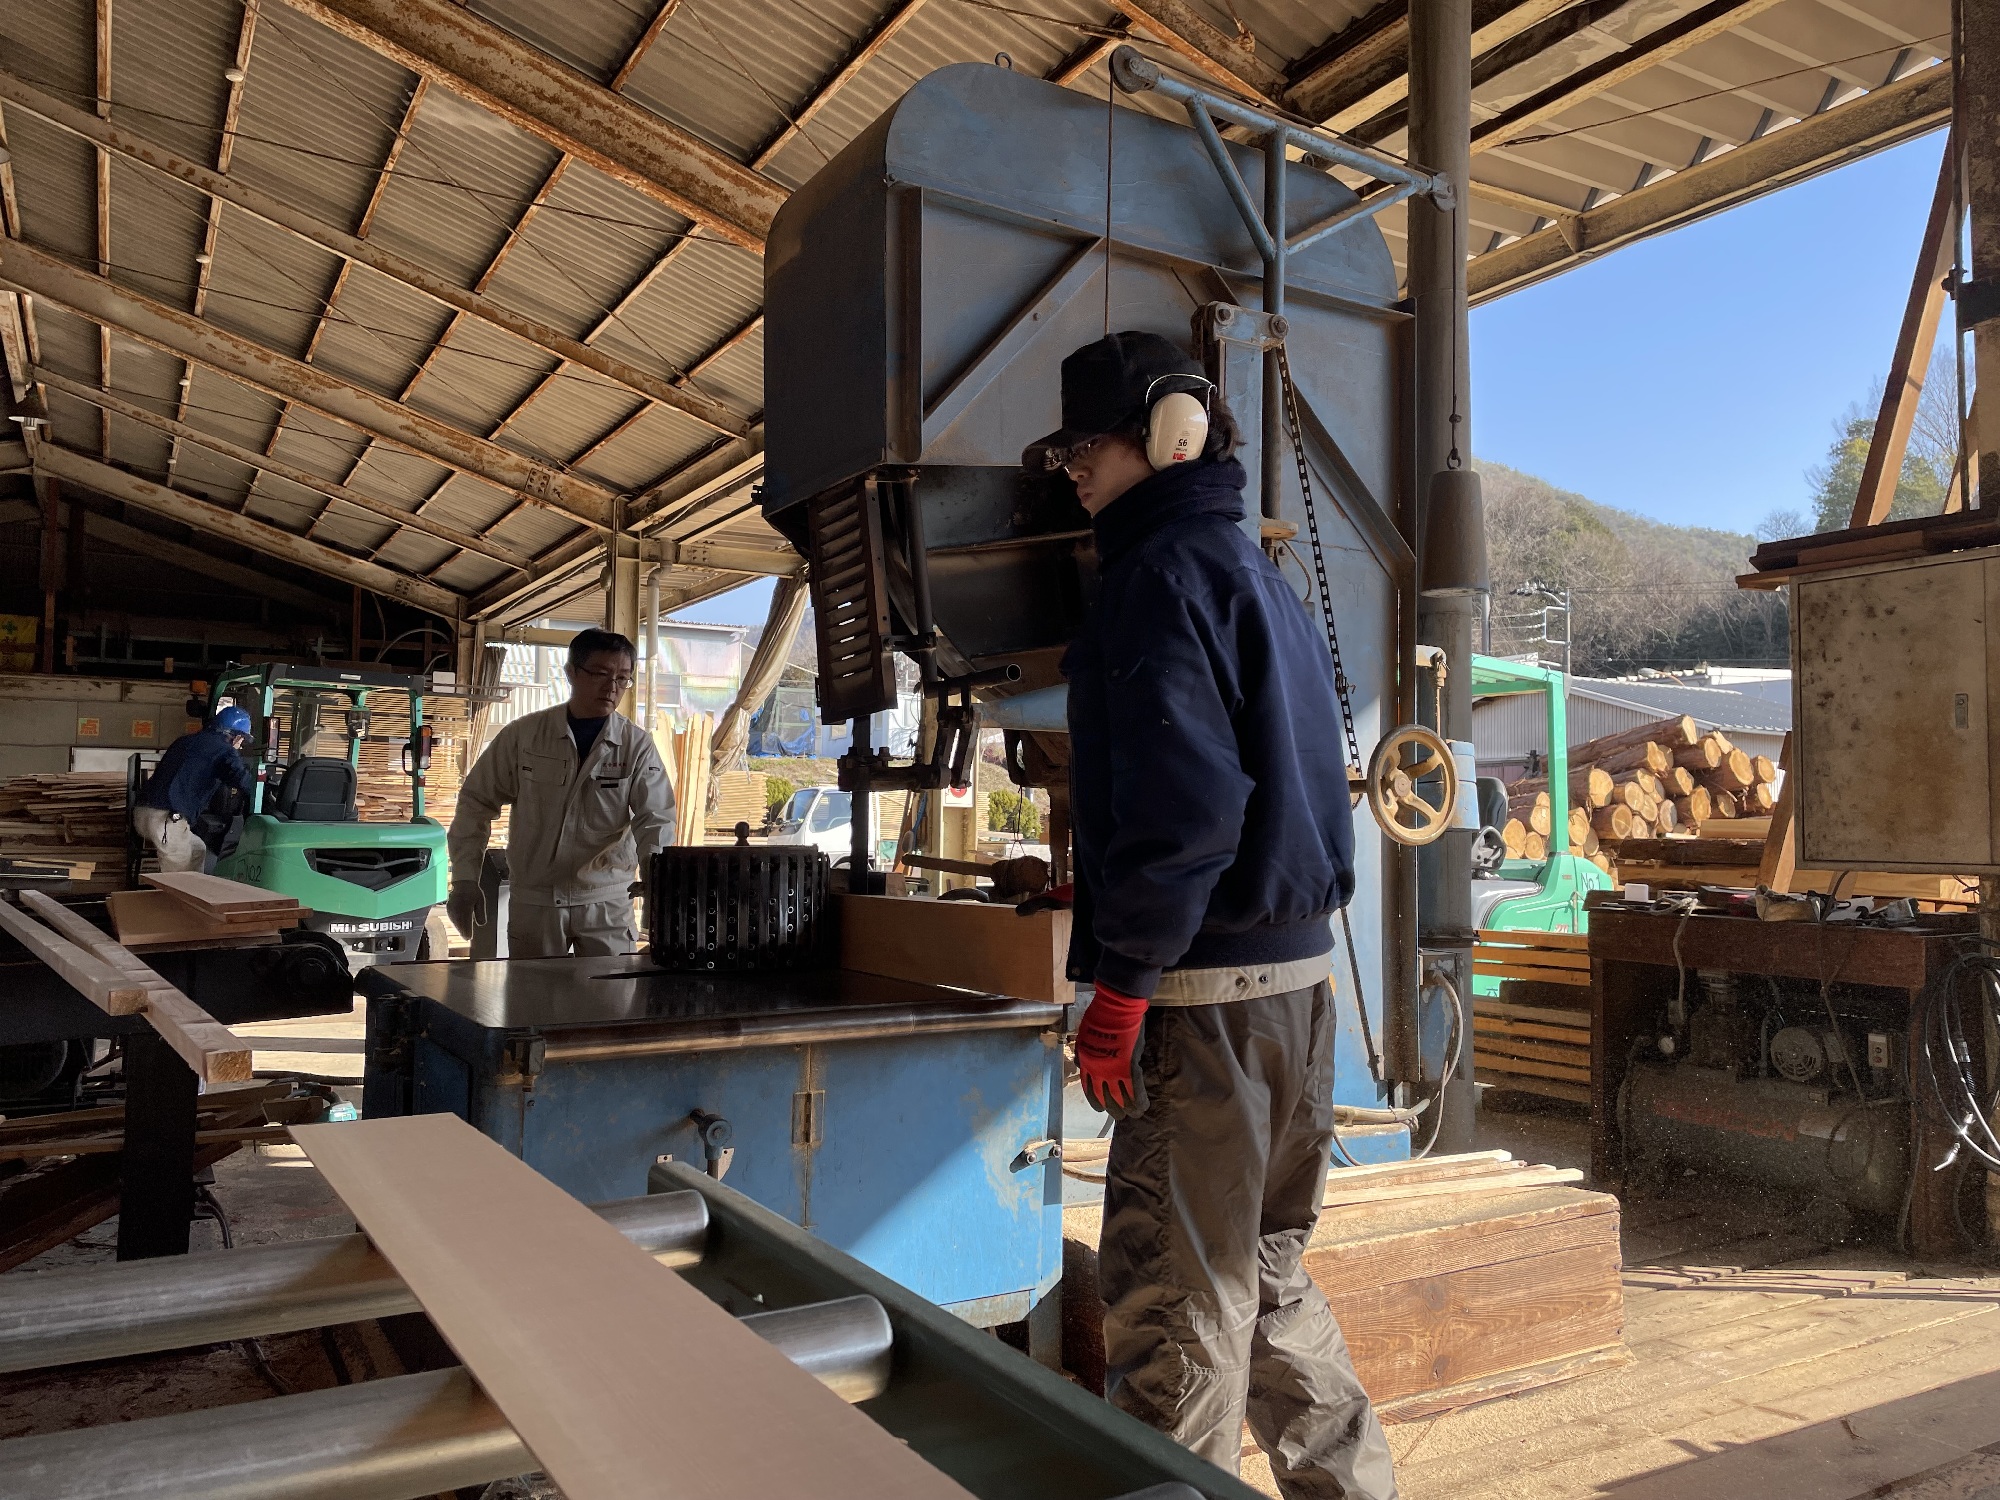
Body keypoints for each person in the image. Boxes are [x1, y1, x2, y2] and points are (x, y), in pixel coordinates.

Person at [1032, 332, 1396, 1500]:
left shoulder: (1154, 578)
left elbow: (1186, 814)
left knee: (1174, 1318)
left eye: (1085, 450)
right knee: (1266, 1281)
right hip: (1294, 999)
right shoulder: (1255, 577)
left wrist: (1122, 982)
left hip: (1204, 1014)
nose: (1072, 475)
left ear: (1168, 432)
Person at [447, 628, 675, 958]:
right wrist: (465, 879)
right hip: (536, 902)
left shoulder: (635, 746)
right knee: (534, 991)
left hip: (606, 904)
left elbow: (655, 819)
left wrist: (658, 881)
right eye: (600, 674)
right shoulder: (525, 736)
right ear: (570, 672)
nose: (612, 687)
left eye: (623, 678)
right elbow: (476, 802)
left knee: (609, 991)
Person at [134, 706, 254, 874]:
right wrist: (260, 792)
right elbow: (241, 779)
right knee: (179, 877)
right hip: (166, 819)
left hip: (143, 813)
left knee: (197, 850)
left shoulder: (185, 741)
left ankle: (195, 889)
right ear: (235, 736)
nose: (240, 746)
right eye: (242, 741)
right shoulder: (224, 750)